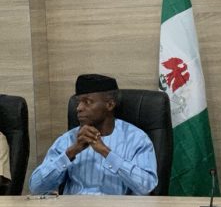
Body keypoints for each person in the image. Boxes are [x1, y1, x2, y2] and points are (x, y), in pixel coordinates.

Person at [29, 74, 158, 195]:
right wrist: (70, 153)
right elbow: (35, 187)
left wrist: (106, 153)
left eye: (87, 102)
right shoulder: (68, 140)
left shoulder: (136, 139)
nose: (79, 108)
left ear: (110, 105)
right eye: (78, 102)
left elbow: (147, 186)